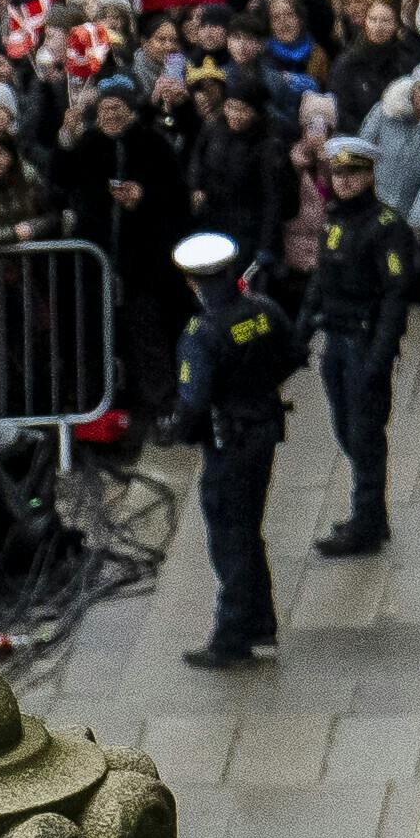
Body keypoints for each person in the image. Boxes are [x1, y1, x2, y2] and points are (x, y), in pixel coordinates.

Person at [165, 223, 303, 666]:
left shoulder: (201, 334)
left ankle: (233, 636)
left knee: (230, 537)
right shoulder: (262, 310)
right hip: (263, 426)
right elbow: (292, 355)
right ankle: (261, 625)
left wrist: (180, 432)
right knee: (249, 529)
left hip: (229, 439)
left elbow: (194, 400)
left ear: (192, 280)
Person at [301, 136, 416, 556]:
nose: (345, 181)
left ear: (370, 175)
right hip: (336, 338)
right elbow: (321, 278)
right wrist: (301, 329)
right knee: (346, 430)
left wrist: (378, 358)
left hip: (365, 341)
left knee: (365, 434)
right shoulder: (336, 219)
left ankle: (366, 523)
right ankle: (373, 514)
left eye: (353, 173)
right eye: (338, 173)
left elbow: (394, 296)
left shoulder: (386, 226)